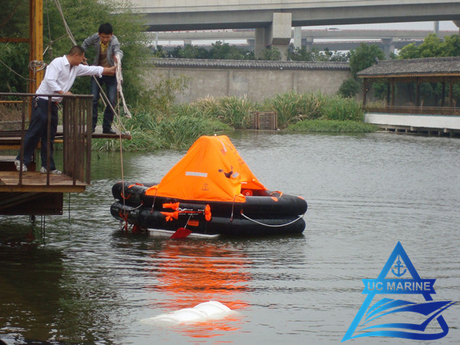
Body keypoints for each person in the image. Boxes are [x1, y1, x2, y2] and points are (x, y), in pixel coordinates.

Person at [14, 46, 116, 174]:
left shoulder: (76, 68)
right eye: (81, 58)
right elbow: (50, 80)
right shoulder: (57, 63)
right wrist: (63, 93)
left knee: (49, 134)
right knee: (35, 131)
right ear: (76, 55)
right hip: (42, 100)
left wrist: (111, 70)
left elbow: (92, 69)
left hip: (54, 103)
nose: (82, 61)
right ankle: (21, 160)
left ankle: (47, 166)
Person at [82, 22, 124, 134]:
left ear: (111, 35)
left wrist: (117, 57)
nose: (105, 39)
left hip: (111, 74)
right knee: (93, 99)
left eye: (107, 37)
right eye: (103, 37)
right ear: (99, 34)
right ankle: (91, 127)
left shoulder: (114, 41)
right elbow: (85, 43)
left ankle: (107, 127)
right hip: (97, 72)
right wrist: (82, 55)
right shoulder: (95, 38)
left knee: (111, 101)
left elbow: (118, 51)